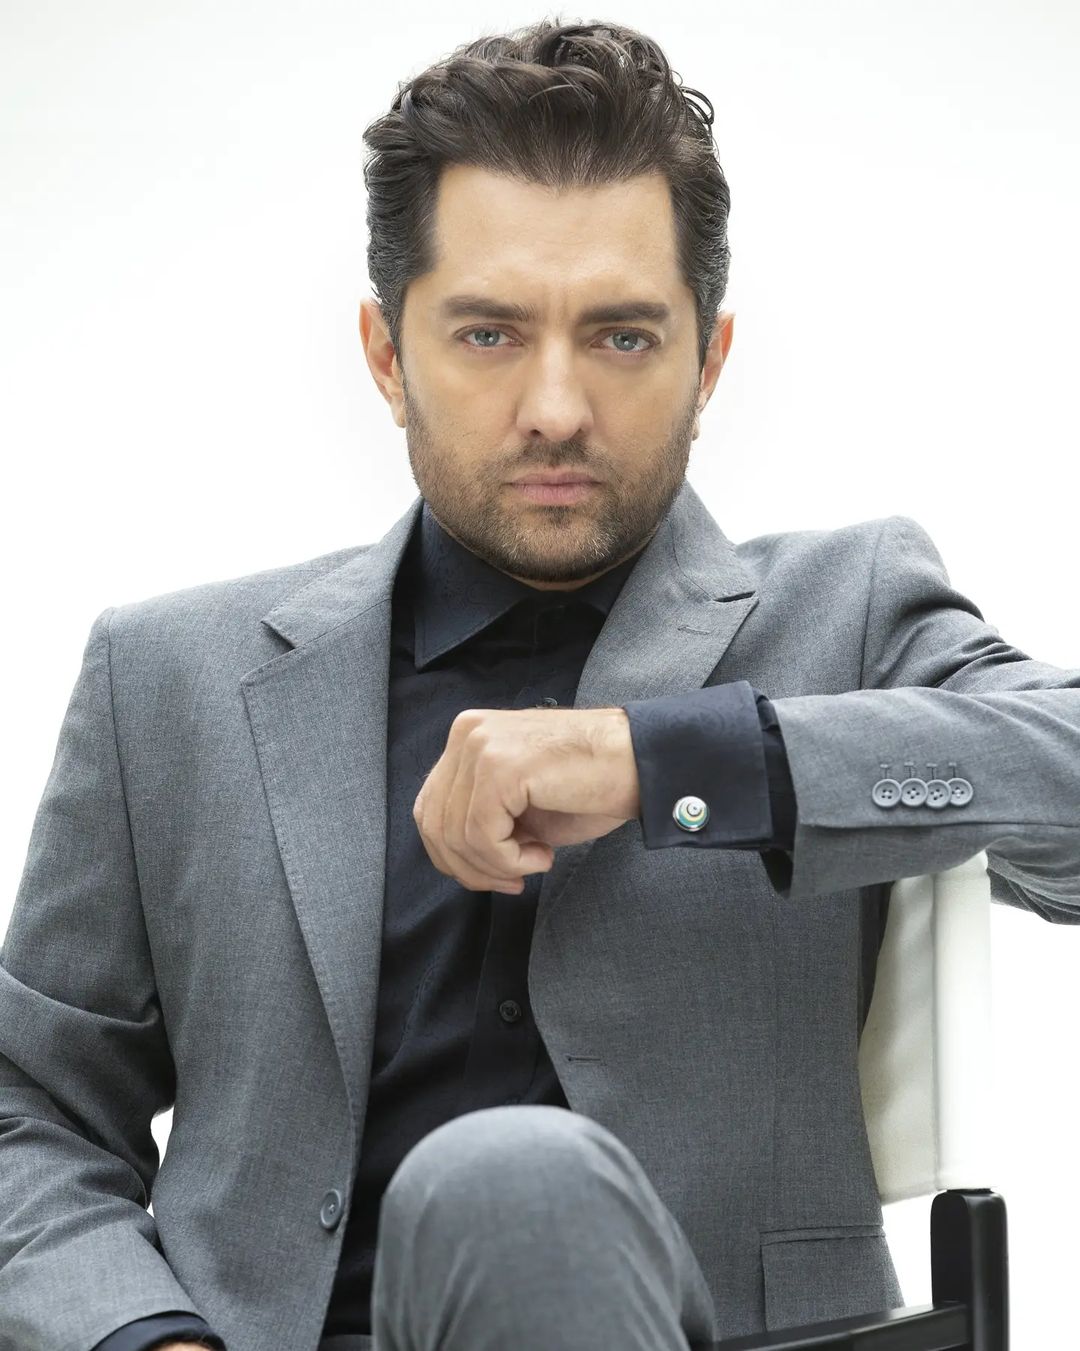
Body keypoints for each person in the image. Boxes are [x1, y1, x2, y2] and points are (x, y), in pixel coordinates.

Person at [2, 16, 1078, 1351]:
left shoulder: (845, 613)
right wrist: (149, 1341)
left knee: (511, 1183)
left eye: (621, 338)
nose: (557, 406)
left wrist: (673, 760)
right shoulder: (169, 680)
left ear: (709, 362)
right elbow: (29, 1110)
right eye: (490, 334)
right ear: (387, 356)